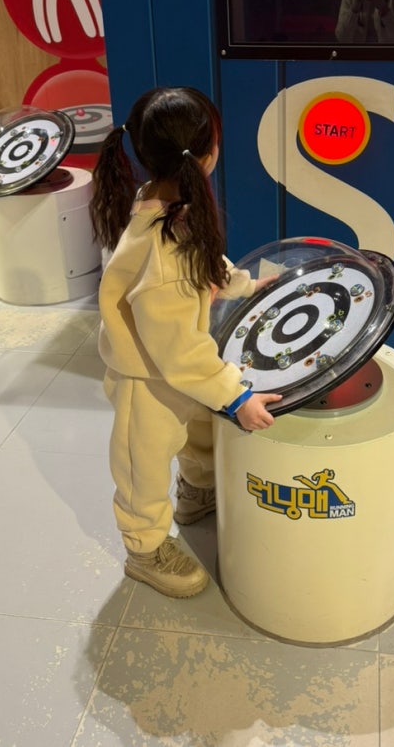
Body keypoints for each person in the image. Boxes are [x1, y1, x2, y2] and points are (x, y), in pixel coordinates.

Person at [90, 86, 281, 598]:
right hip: (147, 380)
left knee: (197, 433)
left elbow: (203, 262)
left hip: (175, 368)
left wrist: (243, 284)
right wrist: (236, 397)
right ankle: (145, 548)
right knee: (143, 467)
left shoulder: (162, 200)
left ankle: (196, 494)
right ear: (208, 154)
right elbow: (179, 351)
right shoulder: (164, 252)